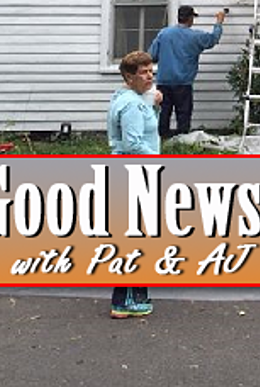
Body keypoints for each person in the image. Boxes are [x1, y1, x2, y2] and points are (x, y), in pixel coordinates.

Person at [106, 50, 161, 318]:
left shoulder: (129, 98)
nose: (150, 76)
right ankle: (124, 299)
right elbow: (133, 144)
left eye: (151, 71)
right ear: (130, 77)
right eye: (143, 72)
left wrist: (154, 103)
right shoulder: (132, 105)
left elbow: (145, 126)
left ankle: (135, 295)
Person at [148, 6, 225, 138]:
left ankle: (161, 140)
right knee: (183, 114)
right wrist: (219, 22)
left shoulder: (164, 34)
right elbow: (213, 39)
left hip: (164, 82)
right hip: (183, 83)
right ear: (190, 19)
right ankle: (182, 140)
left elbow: (152, 55)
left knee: (163, 113)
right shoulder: (195, 37)